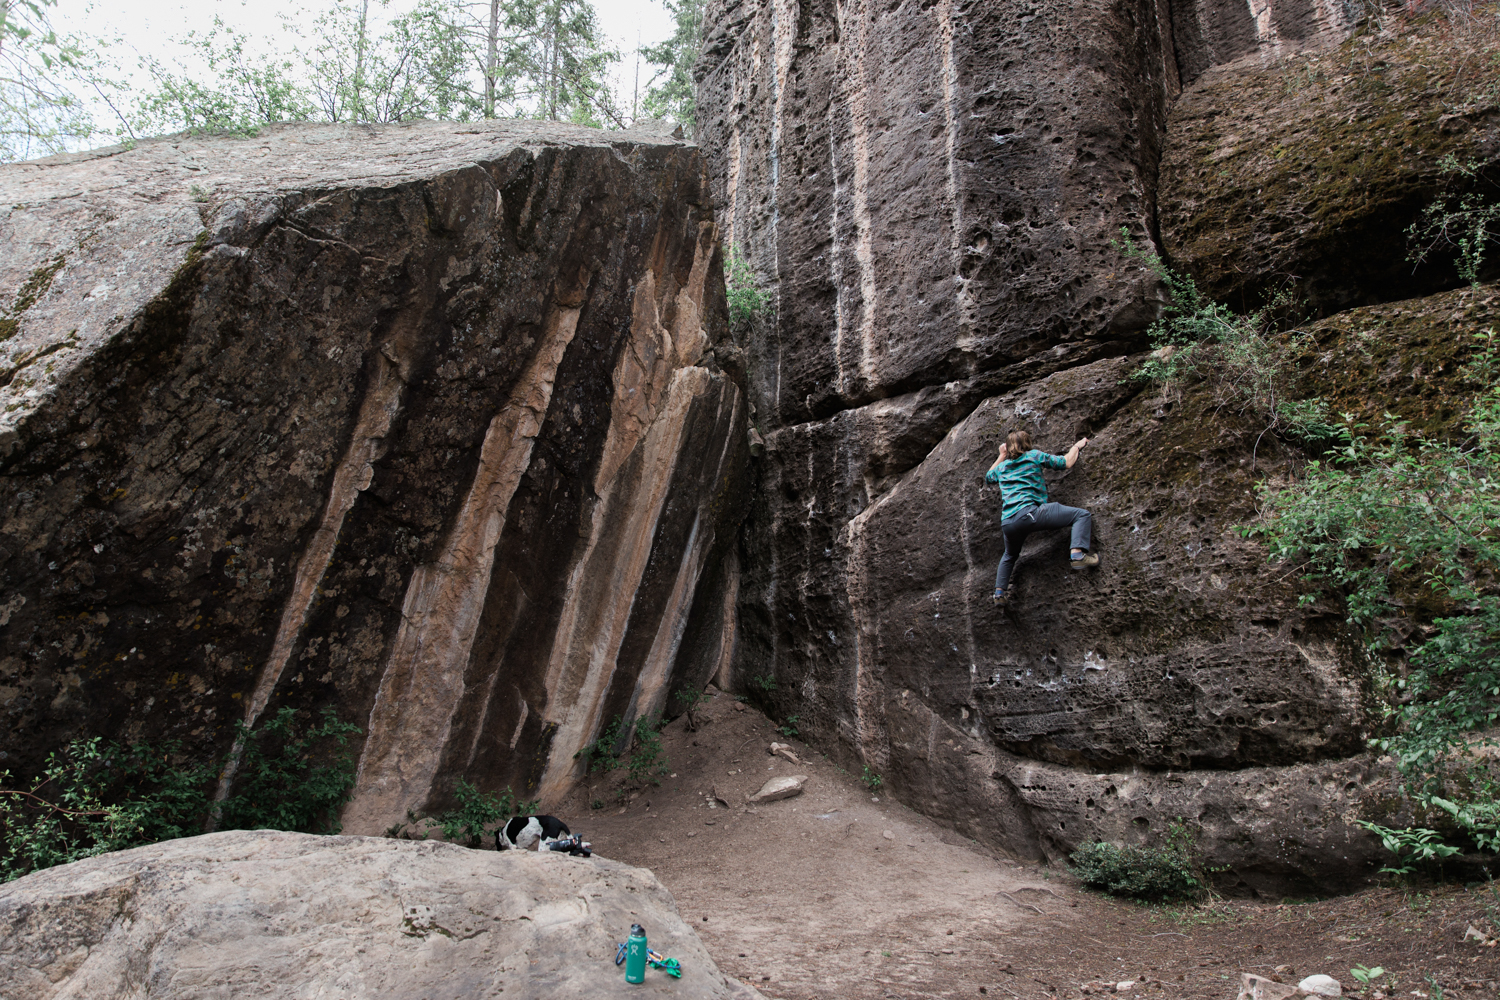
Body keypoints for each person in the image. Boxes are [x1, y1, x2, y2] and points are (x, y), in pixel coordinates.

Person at [984, 429, 1097, 605]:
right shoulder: (1034, 456)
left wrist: (1002, 456)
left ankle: (999, 593)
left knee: (1010, 554)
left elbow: (988, 477)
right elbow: (1066, 463)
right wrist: (1077, 446)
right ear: (1027, 443)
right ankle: (1077, 554)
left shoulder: (1002, 467)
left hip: (1008, 522)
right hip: (1030, 513)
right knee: (1081, 515)